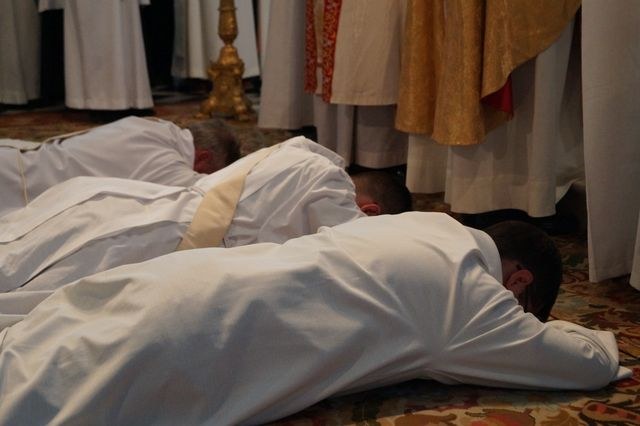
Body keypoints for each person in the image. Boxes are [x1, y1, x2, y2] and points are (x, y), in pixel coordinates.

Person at [0, 212, 630, 425]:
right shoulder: (471, 301)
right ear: (518, 282)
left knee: (38, 349)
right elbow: (586, 365)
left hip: (188, 279)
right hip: (200, 338)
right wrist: (581, 332)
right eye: (525, 311)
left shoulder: (429, 224)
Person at [0, 136, 411, 295]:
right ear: (369, 210)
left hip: (132, 199)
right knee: (34, 278)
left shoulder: (298, 152)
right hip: (161, 236)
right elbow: (356, 255)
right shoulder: (332, 190)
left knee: (29, 245)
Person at [0, 116, 240, 216]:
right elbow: (209, 195)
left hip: (17, 161)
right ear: (203, 159)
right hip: (19, 187)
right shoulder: (166, 162)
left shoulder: (157, 126)